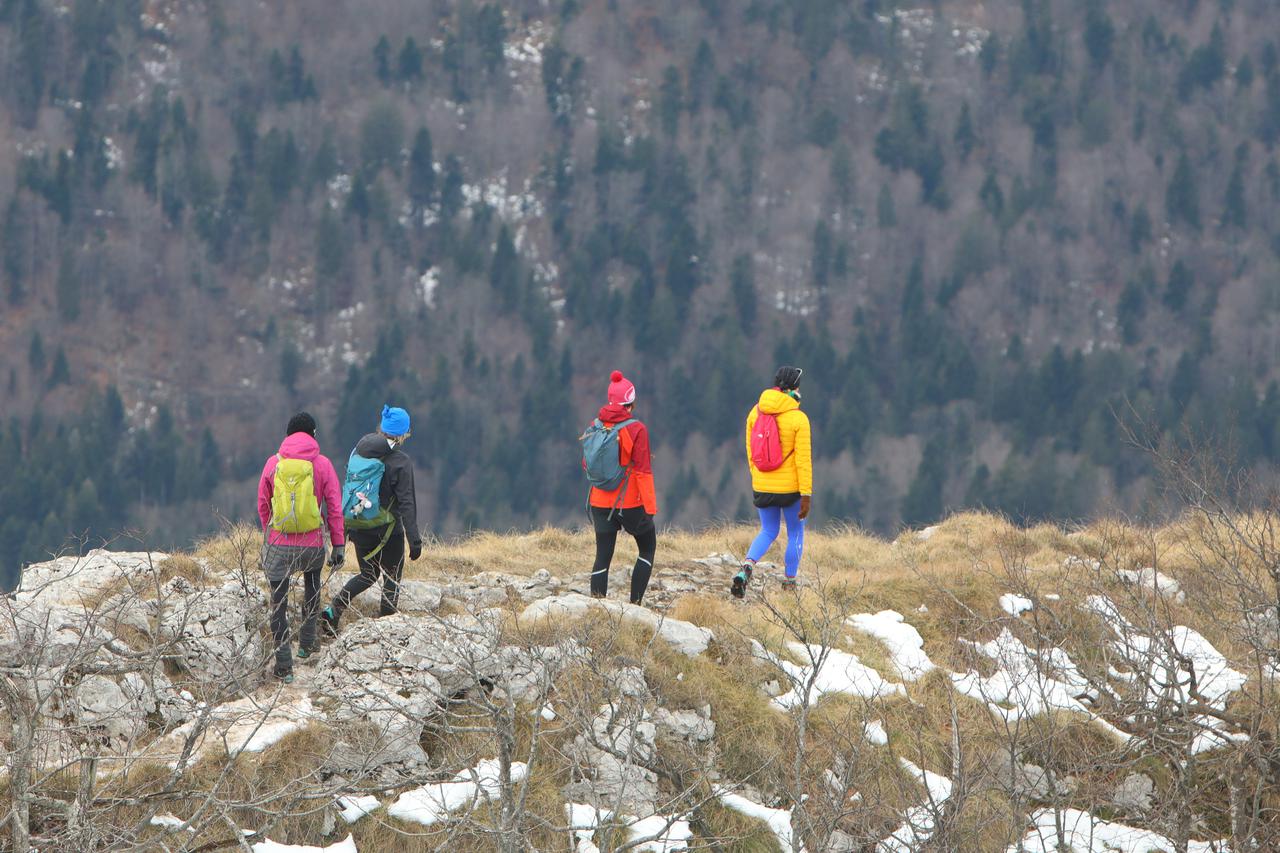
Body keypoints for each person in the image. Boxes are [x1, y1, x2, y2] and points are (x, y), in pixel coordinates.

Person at [257, 412, 345, 683]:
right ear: (313, 434)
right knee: (312, 587)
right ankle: (307, 644)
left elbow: (263, 502)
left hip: (279, 543)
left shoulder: (273, 463)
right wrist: (338, 543)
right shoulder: (323, 464)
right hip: (312, 544)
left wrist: (270, 533)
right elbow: (333, 507)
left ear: (287, 435)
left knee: (279, 603)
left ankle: (284, 666)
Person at [321, 405, 421, 635]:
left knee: (368, 574)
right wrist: (414, 539)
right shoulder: (400, 461)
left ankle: (334, 610)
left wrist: (342, 533)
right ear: (402, 433)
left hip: (359, 525)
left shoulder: (358, 451)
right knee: (392, 577)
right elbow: (406, 502)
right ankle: (386, 629)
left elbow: (349, 491)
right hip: (388, 530)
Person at [733, 366, 812, 597]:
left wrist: (756, 475)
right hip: (790, 490)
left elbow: (750, 448)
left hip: (762, 484)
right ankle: (789, 583)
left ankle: (746, 566)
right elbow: (803, 461)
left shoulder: (755, 412)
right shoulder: (798, 418)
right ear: (794, 388)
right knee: (795, 533)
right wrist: (806, 494)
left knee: (768, 530)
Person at [584, 370, 658, 605]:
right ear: (630, 402)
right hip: (630, 502)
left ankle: (597, 607)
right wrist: (650, 507)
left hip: (599, 501)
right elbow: (643, 471)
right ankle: (635, 605)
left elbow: (586, 463)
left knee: (602, 557)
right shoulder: (637, 429)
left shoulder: (595, 426)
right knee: (647, 548)